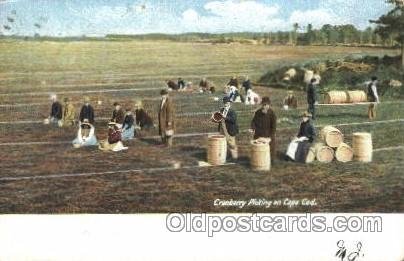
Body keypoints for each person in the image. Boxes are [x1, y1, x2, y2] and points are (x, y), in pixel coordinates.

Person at [250, 97, 277, 162]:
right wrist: (253, 128)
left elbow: (274, 127)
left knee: (270, 149)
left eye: (266, 105)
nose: (264, 107)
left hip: (268, 135)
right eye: (263, 105)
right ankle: (257, 161)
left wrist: (270, 137)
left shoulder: (272, 114)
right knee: (258, 150)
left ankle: (271, 161)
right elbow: (253, 121)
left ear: (269, 105)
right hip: (258, 135)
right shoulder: (258, 112)